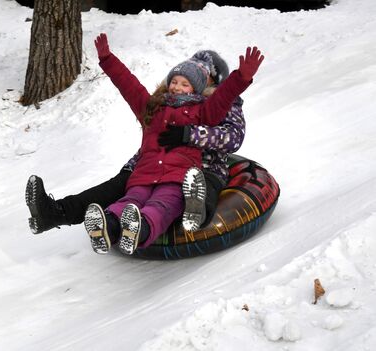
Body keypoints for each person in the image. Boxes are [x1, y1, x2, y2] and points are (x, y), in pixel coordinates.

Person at [25, 44, 259, 251]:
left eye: (202, 74)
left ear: (212, 80)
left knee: (174, 197)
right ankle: (57, 213)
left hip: (198, 169)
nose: (179, 86)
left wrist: (189, 134)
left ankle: (187, 216)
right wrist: (107, 59)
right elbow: (131, 89)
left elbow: (233, 137)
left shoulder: (219, 103)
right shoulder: (161, 102)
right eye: (177, 79)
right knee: (111, 191)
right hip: (148, 166)